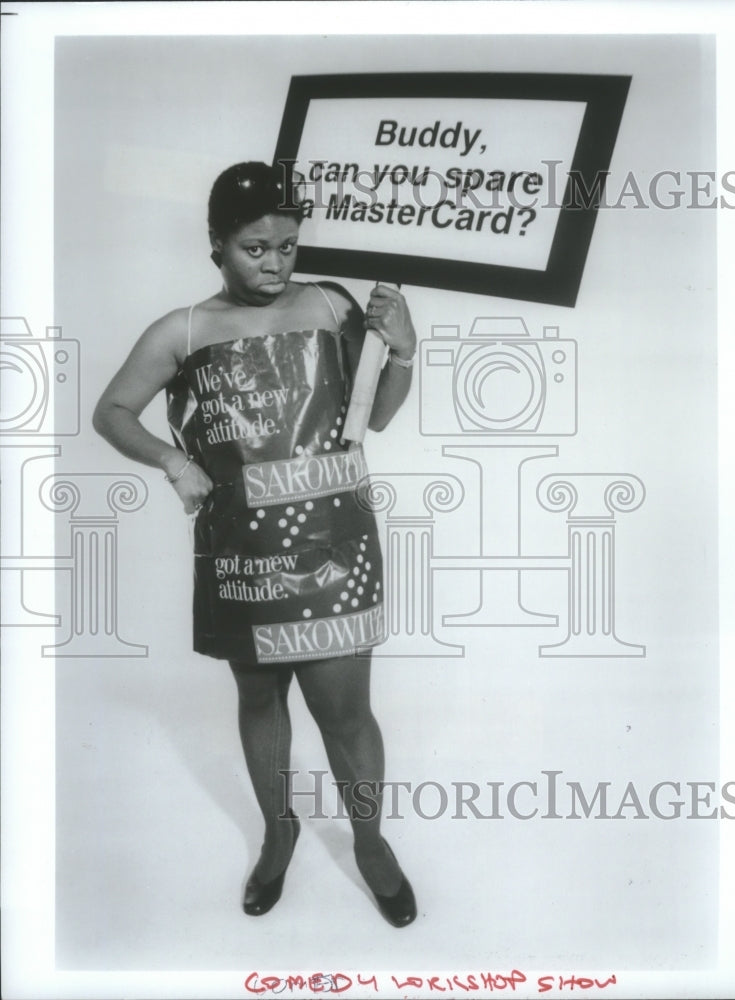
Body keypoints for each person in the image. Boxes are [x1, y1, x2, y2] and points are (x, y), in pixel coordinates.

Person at [93, 161, 417, 926]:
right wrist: (174, 462)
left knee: (345, 712)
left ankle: (370, 843)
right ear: (216, 243)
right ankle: (279, 831)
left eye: (286, 246)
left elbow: (376, 416)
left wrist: (403, 351)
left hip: (334, 543)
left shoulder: (331, 305)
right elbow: (112, 412)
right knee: (260, 696)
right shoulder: (182, 330)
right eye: (254, 248)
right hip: (241, 553)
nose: (274, 264)